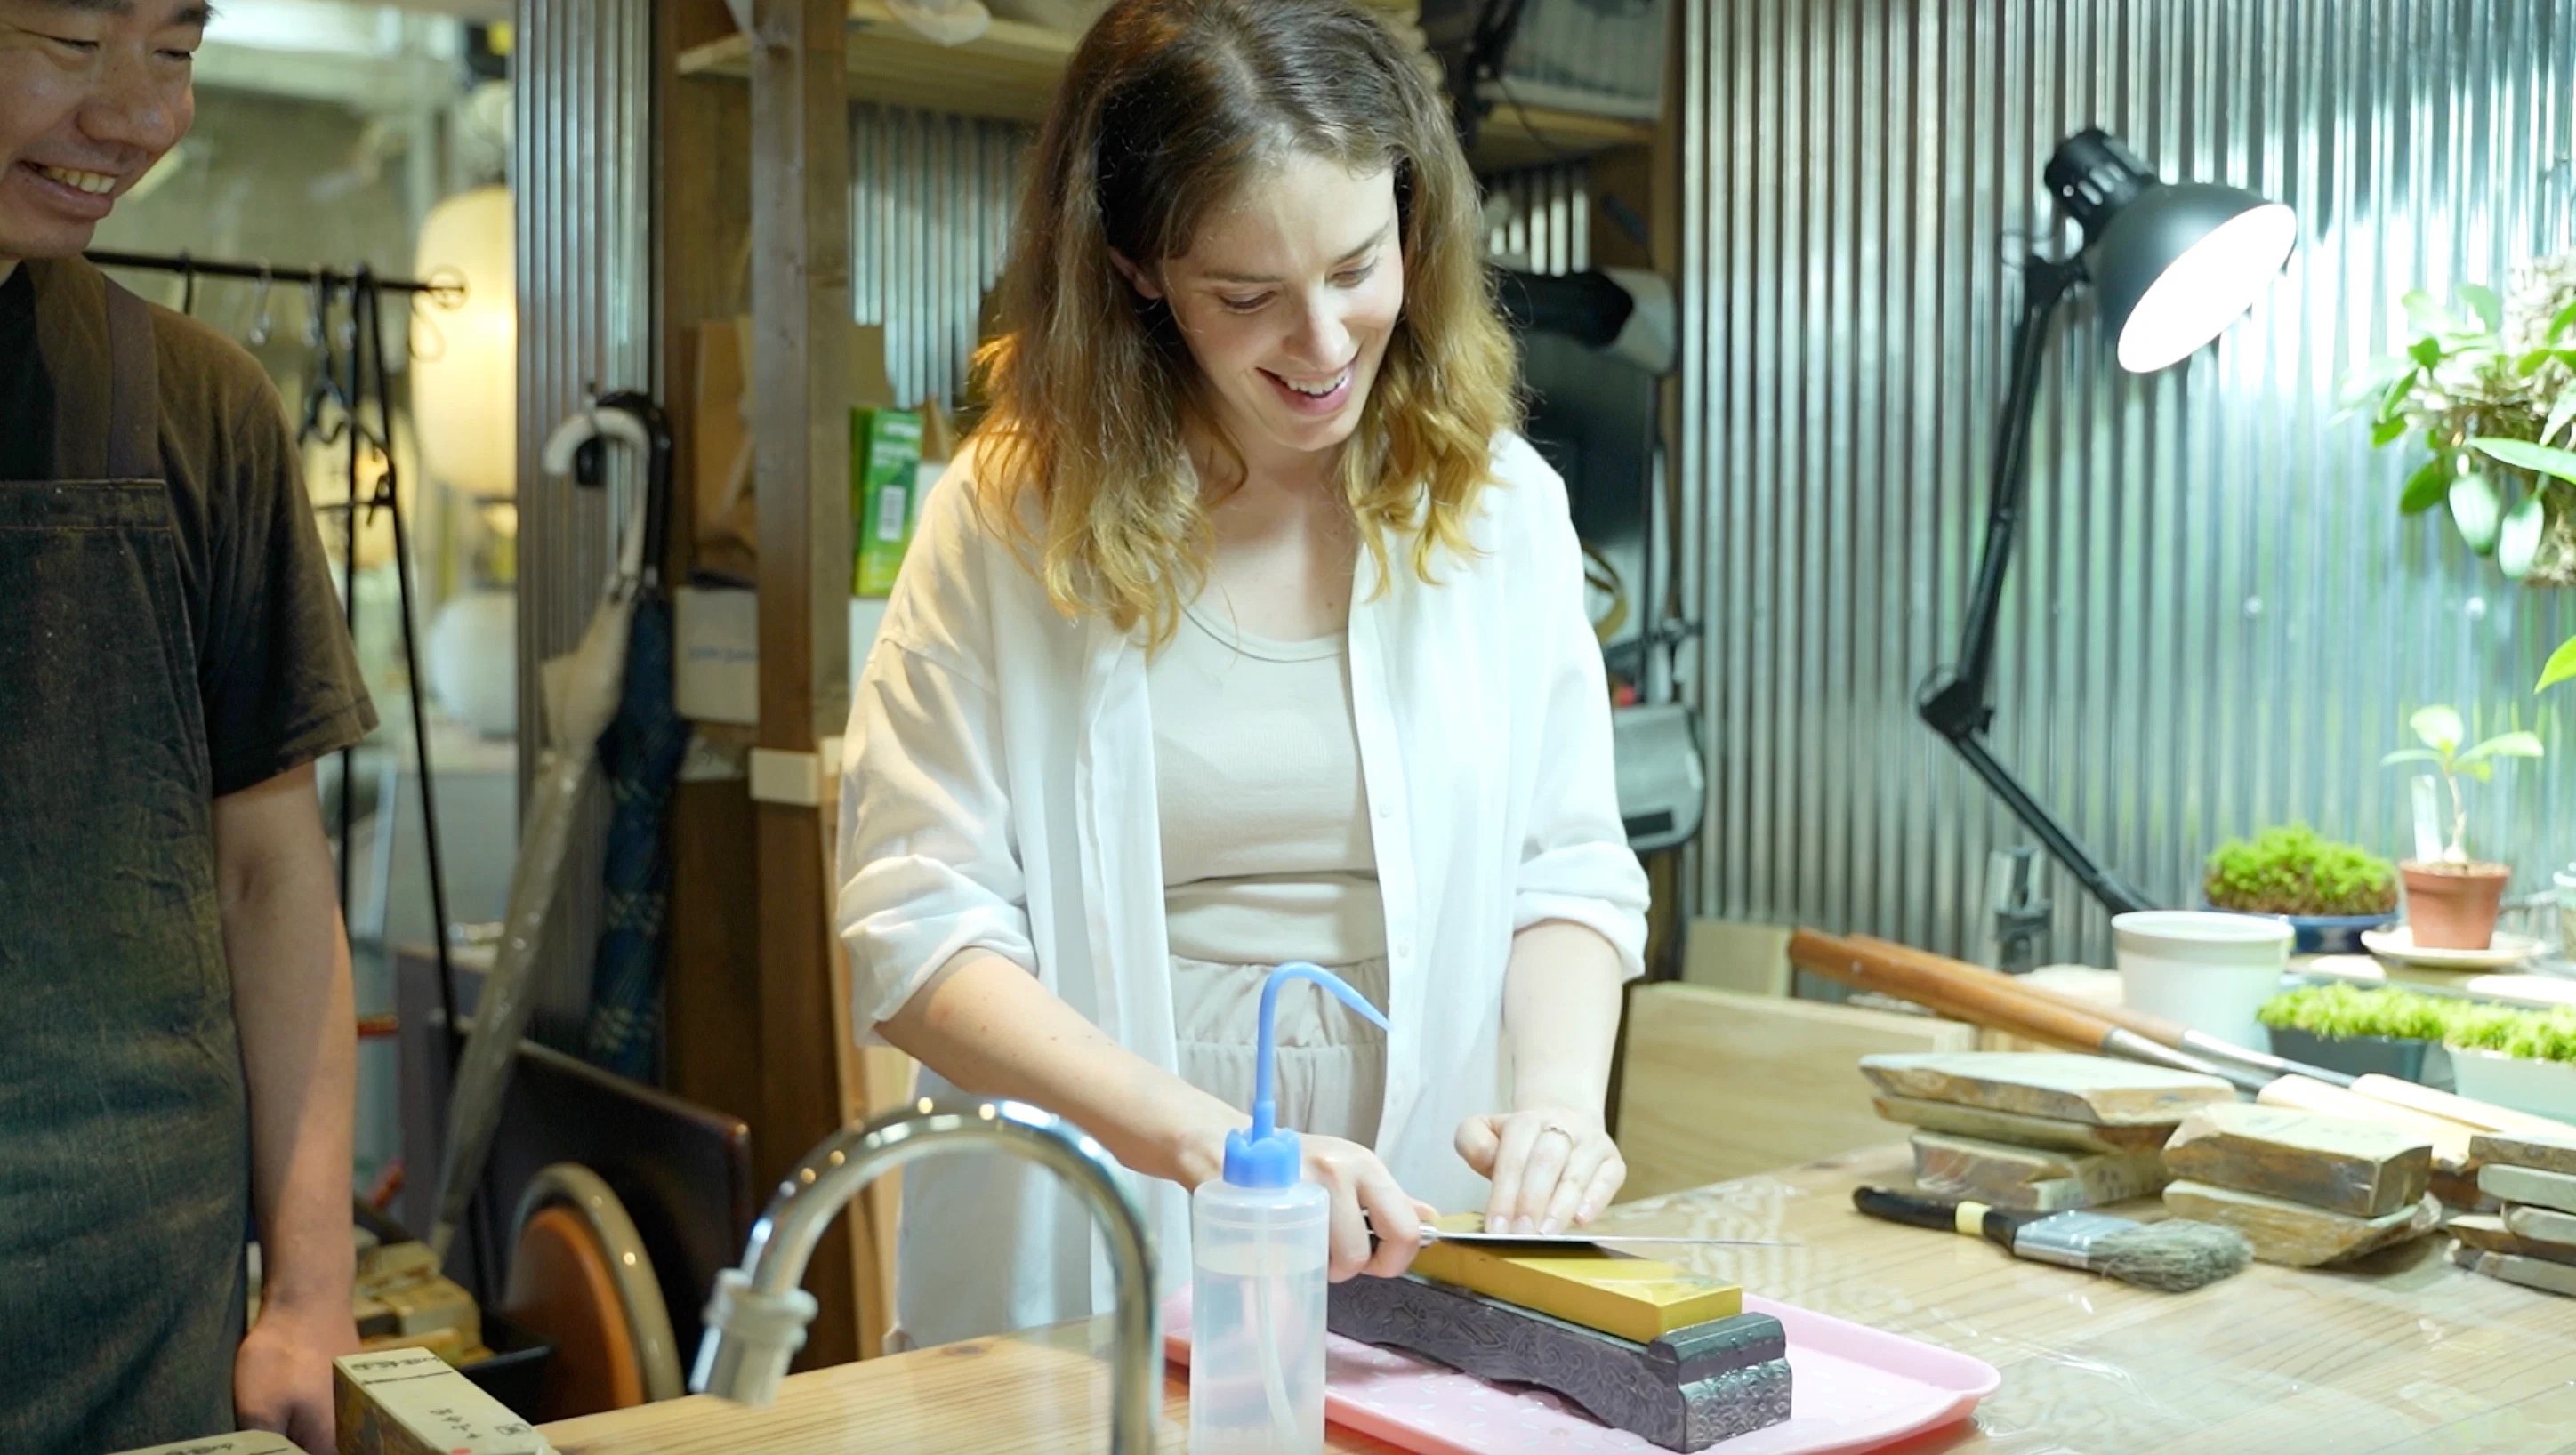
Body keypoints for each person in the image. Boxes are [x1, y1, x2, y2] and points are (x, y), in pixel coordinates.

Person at [837, 0, 1649, 1351]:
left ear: (1413, 221)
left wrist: (1561, 1103)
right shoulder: (1003, 518)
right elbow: (921, 938)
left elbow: (1564, 870)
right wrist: (1223, 1154)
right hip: (1104, 1196)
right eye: (1247, 295)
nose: (1325, 344)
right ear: (1138, 269)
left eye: (1357, 266)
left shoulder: (1499, 506)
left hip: (1415, 1206)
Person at [0, 2, 375, 1451]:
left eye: (176, 50)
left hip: (141, 1328)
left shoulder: (199, 410)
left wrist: (310, 1289)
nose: (143, 116)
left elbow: (270, 877)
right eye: (76, 41)